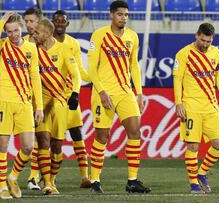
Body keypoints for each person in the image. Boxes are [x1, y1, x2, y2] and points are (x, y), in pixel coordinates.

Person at [87, 0, 151, 194]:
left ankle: (132, 181)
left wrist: (139, 92)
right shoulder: (99, 35)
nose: (123, 18)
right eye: (120, 14)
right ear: (111, 15)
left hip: (125, 92)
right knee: (102, 136)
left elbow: (134, 66)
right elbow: (91, 69)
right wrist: (102, 91)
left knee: (135, 130)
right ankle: (95, 180)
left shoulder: (132, 37)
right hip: (103, 93)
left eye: (126, 15)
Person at [0, 12, 44, 199]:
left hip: (24, 103)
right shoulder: (1, 46)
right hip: (3, 101)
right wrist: (2, 21)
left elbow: (35, 77)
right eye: (9, 31)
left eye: (16, 30)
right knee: (2, 146)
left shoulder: (31, 48)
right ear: (5, 32)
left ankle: (13, 177)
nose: (13, 34)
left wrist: (39, 107)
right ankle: (2, 185)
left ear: (22, 28)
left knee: (28, 147)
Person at [173, 23, 219, 194]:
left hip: (211, 106)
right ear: (196, 35)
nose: (205, 44)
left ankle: (202, 173)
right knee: (193, 146)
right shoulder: (183, 54)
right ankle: (194, 185)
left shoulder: (215, 52)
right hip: (191, 107)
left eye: (209, 41)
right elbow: (177, 79)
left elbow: (218, 75)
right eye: (203, 40)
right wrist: (178, 102)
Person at [33, 18, 81, 195]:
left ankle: (52, 179)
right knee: (43, 141)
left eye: (37, 32)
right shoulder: (32, 49)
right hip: (40, 102)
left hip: (60, 102)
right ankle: (46, 182)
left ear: (46, 33)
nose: (33, 34)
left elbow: (76, 75)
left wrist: (75, 93)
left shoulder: (64, 50)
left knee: (57, 146)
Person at [51, 10, 92, 188]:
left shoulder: (73, 43)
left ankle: (84, 176)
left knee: (77, 134)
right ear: (52, 23)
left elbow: (79, 72)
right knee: (50, 141)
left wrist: (95, 78)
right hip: (50, 98)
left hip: (69, 96)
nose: (60, 23)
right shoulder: (44, 43)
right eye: (57, 21)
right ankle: (46, 178)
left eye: (63, 21)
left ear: (67, 24)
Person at [23, 7, 43, 190]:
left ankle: (45, 176)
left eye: (32, 21)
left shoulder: (48, 42)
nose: (29, 25)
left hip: (52, 96)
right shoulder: (21, 43)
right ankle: (33, 177)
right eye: (26, 21)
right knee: (36, 137)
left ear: (40, 21)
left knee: (50, 140)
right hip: (29, 97)